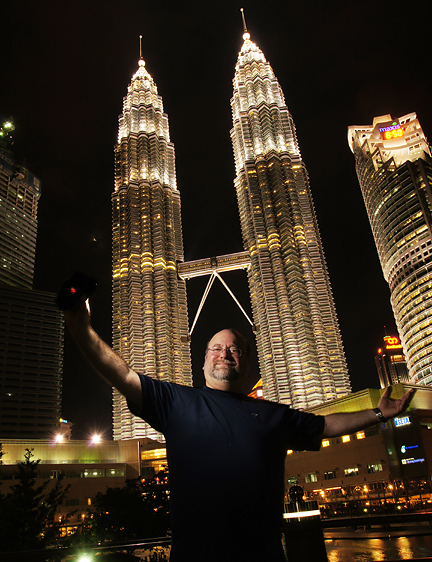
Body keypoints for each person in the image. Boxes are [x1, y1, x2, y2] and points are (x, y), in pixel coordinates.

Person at [64, 298, 414, 562]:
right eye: (216, 348)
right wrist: (82, 328)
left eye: (234, 349)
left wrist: (377, 415)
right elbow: (122, 375)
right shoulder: (175, 401)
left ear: (247, 361)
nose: (225, 353)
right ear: (203, 361)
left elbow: (325, 425)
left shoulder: (274, 415)